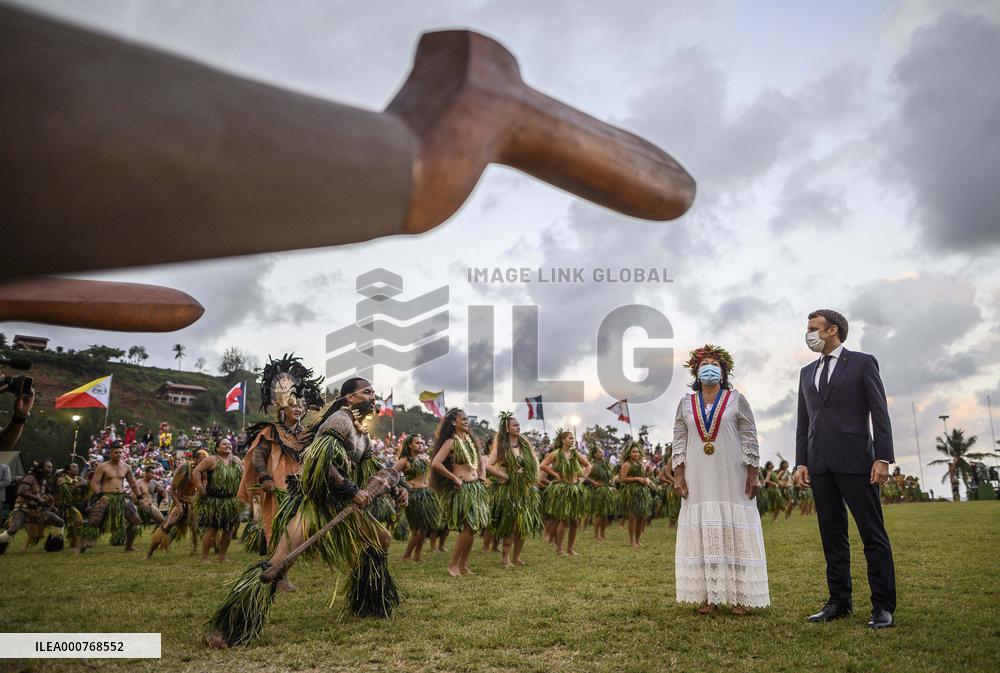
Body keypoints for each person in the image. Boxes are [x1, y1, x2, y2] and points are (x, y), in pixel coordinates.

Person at [205, 376, 405, 648]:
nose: (373, 397)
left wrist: (395, 487)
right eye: (367, 392)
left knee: (380, 539)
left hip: (340, 504)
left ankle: (369, 603)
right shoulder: (340, 421)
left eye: (373, 392)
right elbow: (316, 460)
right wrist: (351, 489)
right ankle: (228, 627)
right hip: (313, 503)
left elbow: (371, 467)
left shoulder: (361, 431)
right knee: (278, 563)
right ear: (350, 398)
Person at [794, 309, 896, 629]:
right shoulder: (806, 372)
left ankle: (882, 606)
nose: (809, 334)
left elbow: (879, 412)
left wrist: (883, 457)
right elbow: (804, 422)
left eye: (814, 328)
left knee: (872, 535)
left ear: (832, 330)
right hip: (820, 464)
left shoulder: (863, 363)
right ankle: (838, 602)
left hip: (857, 462)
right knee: (832, 537)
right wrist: (802, 461)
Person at [672, 344, 769, 615]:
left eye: (715, 364)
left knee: (735, 532)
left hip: (733, 474)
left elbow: (749, 436)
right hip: (697, 476)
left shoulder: (736, 399)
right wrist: (678, 474)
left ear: (724, 372)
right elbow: (678, 439)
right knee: (704, 533)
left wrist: (753, 472)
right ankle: (708, 595)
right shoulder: (685, 403)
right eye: (704, 364)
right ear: (696, 371)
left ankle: (741, 596)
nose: (709, 369)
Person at [238, 354, 322, 548]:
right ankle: (276, 554)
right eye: (293, 406)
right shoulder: (270, 431)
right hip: (279, 485)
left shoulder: (307, 434)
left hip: (303, 485)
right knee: (279, 522)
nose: (298, 409)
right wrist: (264, 477)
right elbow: (258, 455)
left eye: (300, 406)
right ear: (283, 409)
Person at [431, 408, 490, 577]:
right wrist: (454, 478)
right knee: (469, 526)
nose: (466, 421)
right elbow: (436, 463)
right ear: (453, 422)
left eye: (466, 419)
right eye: (462, 419)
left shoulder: (470, 440)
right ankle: (453, 565)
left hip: (476, 487)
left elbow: (480, 460)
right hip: (463, 489)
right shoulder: (451, 442)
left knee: (473, 528)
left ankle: (463, 566)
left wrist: (482, 475)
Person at [487, 411, 542, 567]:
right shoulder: (502, 448)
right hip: (510, 490)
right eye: (515, 425)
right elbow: (487, 466)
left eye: (518, 425)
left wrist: (533, 478)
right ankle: (505, 558)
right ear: (507, 429)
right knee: (510, 524)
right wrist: (503, 475)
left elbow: (535, 463)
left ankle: (517, 557)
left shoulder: (525, 445)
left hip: (525, 489)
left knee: (522, 524)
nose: (518, 427)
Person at [79, 445, 143, 552]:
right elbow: (94, 483)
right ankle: (83, 547)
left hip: (121, 497)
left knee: (136, 520)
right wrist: (100, 495)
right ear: (110, 453)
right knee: (94, 522)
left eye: (120, 452)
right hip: (105, 497)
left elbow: (133, 484)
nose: (119, 454)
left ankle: (129, 546)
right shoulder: (102, 467)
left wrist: (140, 497)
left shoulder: (126, 467)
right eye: (116, 452)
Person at [146, 449, 207, 558]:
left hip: (194, 503)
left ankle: (214, 549)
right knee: (169, 525)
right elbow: (172, 490)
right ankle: (149, 553)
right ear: (195, 459)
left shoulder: (205, 471)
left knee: (204, 525)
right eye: (202, 460)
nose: (205, 463)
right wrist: (178, 504)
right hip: (182, 502)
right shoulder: (185, 469)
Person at [540, 428, 590, 556]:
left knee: (575, 521)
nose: (572, 440)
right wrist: (554, 474)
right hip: (563, 489)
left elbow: (589, 465)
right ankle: (559, 549)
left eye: (573, 438)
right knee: (563, 520)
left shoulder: (575, 454)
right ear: (563, 440)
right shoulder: (556, 453)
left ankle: (570, 549)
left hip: (575, 489)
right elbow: (543, 465)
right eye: (570, 438)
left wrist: (583, 478)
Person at [193, 438, 244, 564]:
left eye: (229, 444)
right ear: (217, 448)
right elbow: (196, 471)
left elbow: (244, 476)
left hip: (231, 500)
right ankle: (205, 557)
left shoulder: (236, 460)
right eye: (224, 444)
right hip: (215, 500)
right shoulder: (212, 460)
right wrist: (199, 486)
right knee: (213, 529)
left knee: (229, 529)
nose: (228, 445)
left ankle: (222, 556)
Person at [0, 461, 64, 554]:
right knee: (13, 528)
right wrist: (37, 498)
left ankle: (54, 546)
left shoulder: (43, 481)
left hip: (37, 510)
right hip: (23, 508)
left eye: (51, 467)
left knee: (59, 522)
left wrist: (51, 505)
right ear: (41, 468)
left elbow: (44, 495)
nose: (51, 469)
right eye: (48, 467)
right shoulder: (30, 478)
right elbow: (21, 491)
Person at [393, 434, 438, 563]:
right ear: (409, 445)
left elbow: (433, 472)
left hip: (426, 494)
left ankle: (417, 556)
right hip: (414, 495)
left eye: (421, 443)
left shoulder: (423, 458)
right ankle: (407, 555)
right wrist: (401, 488)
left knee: (424, 528)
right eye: (417, 443)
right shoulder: (404, 460)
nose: (420, 445)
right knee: (418, 528)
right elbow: (391, 475)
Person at [618, 443, 652, 548]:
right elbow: (622, 479)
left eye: (637, 451)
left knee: (641, 517)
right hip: (631, 492)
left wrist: (647, 480)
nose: (636, 453)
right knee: (632, 517)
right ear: (629, 454)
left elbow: (645, 477)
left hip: (642, 493)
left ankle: (637, 540)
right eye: (633, 452)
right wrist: (637, 479)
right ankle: (632, 541)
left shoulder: (641, 465)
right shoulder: (626, 464)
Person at [584, 445, 616, 539]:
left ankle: (603, 533)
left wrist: (610, 484)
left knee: (605, 514)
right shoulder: (593, 465)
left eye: (602, 452)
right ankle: (596, 534)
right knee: (599, 513)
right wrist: (594, 483)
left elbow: (610, 476)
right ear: (595, 454)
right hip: (597, 491)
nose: (602, 454)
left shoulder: (606, 465)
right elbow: (585, 477)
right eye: (600, 452)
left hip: (606, 490)